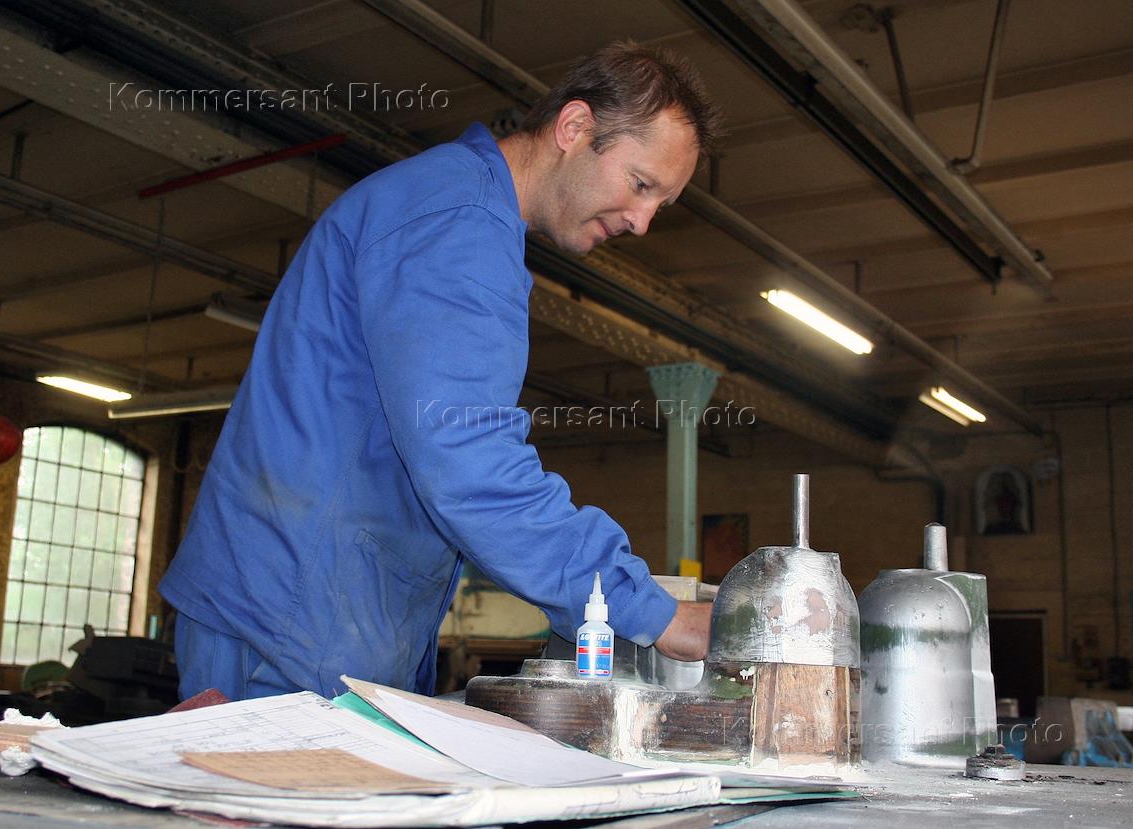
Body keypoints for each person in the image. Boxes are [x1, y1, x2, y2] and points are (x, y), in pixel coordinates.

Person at [159, 41, 723, 701]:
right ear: (574, 127)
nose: (642, 222)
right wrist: (653, 613)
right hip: (288, 626)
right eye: (641, 184)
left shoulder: (459, 209)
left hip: (320, 616)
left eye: (661, 204)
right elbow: (470, 460)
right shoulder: (456, 223)